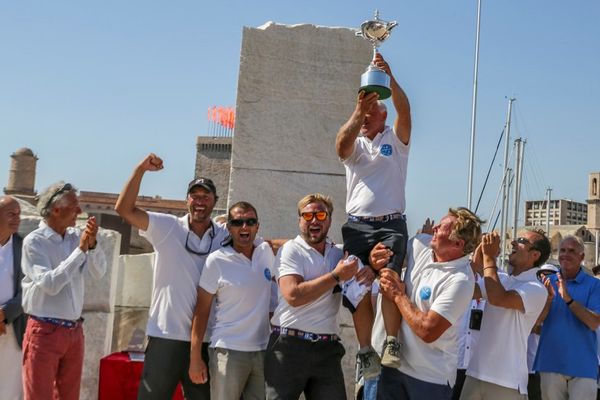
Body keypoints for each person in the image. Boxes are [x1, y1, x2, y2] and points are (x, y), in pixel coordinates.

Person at [115, 153, 228, 399]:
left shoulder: (224, 236)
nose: (200, 201)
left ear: (215, 201)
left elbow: (261, 242)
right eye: (194, 196)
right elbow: (124, 209)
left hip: (206, 341)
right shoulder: (167, 227)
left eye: (205, 196)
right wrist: (140, 169)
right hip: (165, 337)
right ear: (186, 200)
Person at [335, 52, 412, 377]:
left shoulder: (397, 141)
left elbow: (405, 110)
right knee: (357, 288)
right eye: (364, 111)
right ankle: (366, 351)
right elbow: (340, 145)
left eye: (372, 110)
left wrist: (390, 78)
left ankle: (391, 342)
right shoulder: (355, 147)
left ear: (384, 112)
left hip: (391, 224)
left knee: (389, 281)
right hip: (358, 226)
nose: (367, 116)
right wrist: (358, 109)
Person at [377, 207, 483, 400]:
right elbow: (387, 265)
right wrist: (375, 259)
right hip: (394, 367)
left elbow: (428, 330)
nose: (433, 228)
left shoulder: (461, 280)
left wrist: (399, 296)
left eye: (441, 228)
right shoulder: (419, 244)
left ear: (457, 244)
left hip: (431, 379)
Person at [265, 193, 359, 399]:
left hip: (327, 350)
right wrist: (336, 276)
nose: (314, 220)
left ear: (330, 220)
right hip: (289, 347)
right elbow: (293, 295)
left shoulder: (339, 254)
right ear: (299, 220)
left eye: (321, 215)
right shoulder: (291, 250)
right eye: (307, 216)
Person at [21, 182, 106, 400]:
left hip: (74, 333)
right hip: (44, 332)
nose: (80, 212)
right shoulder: (34, 242)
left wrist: (93, 245)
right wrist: (80, 251)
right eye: (74, 206)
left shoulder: (75, 236)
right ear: (56, 210)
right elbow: (49, 284)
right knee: (38, 395)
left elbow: (99, 272)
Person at [188, 201, 275, 399]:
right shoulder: (216, 260)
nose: (244, 227)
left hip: (263, 352)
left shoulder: (266, 254)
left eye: (250, 221)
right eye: (238, 222)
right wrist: (194, 358)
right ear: (228, 228)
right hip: (227, 352)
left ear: (257, 226)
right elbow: (201, 311)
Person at [460, 229, 551, 400]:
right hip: (475, 373)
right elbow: (469, 290)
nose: (514, 243)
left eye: (522, 240)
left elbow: (498, 298)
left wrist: (489, 257)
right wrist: (481, 251)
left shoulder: (537, 289)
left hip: (507, 380)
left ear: (535, 255)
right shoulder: (501, 278)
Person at [533, 235, 600, 400]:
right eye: (562, 250)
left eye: (571, 251)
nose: (565, 254)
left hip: (583, 367)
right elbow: (535, 324)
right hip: (550, 363)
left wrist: (567, 299)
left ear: (582, 257)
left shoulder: (595, 285)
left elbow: (593, 322)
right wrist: (548, 300)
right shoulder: (545, 282)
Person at [0, 196, 26, 400]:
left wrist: (4, 313)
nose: (17, 219)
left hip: (11, 327)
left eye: (19, 214)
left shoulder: (25, 247)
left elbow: (29, 287)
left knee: (10, 389)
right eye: (11, 214)